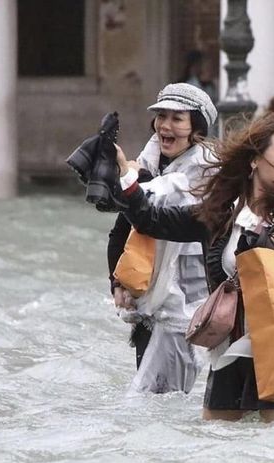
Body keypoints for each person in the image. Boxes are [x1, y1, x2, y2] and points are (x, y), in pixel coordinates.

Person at [112, 112, 274, 422]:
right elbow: (151, 220)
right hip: (225, 357)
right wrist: (125, 174)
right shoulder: (221, 215)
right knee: (220, 453)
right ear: (255, 160)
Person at [107, 83, 218, 393]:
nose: (165, 126)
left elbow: (148, 212)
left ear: (196, 126)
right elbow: (123, 228)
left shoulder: (206, 174)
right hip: (146, 305)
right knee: (150, 408)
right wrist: (118, 283)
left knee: (156, 404)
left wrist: (127, 179)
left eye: (177, 118)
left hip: (186, 312)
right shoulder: (149, 161)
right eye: (161, 116)